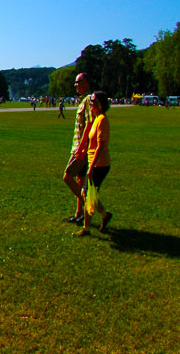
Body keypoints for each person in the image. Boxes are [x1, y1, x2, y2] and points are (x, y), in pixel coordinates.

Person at [75, 91, 113, 237]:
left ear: (100, 104)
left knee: (87, 193)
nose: (90, 104)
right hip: (94, 162)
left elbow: (101, 146)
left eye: (93, 101)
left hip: (100, 165)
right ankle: (104, 215)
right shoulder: (97, 119)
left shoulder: (102, 119)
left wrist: (91, 167)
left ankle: (87, 228)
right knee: (89, 194)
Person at [62, 73, 93, 225]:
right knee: (80, 181)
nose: (76, 85)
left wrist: (81, 148)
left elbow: (89, 124)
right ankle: (79, 213)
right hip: (78, 147)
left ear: (86, 82)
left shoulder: (89, 100)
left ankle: (91, 206)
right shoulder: (83, 100)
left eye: (78, 82)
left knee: (67, 177)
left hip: (81, 149)